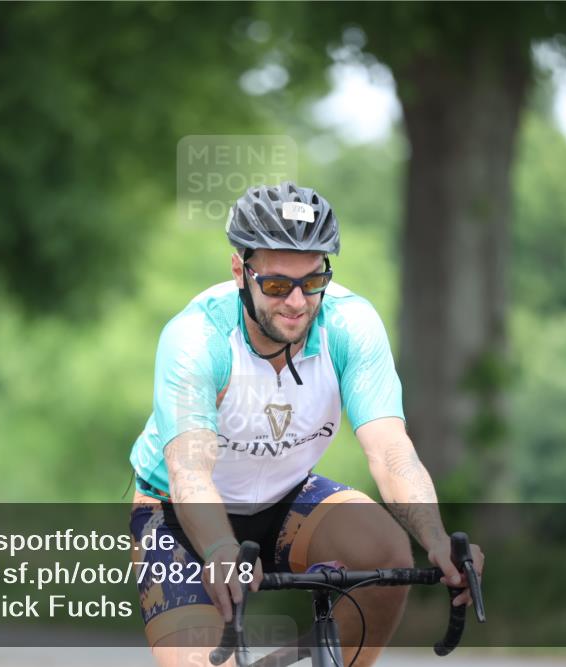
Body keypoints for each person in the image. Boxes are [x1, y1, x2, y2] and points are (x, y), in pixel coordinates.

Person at [128, 181, 483, 667]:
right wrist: (217, 548)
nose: (296, 301)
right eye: (276, 285)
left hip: (286, 495)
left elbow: (389, 450)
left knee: (386, 551)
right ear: (240, 271)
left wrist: (438, 540)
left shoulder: (349, 325)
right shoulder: (196, 337)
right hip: (178, 512)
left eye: (312, 281)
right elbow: (191, 472)